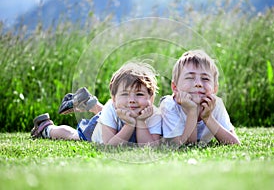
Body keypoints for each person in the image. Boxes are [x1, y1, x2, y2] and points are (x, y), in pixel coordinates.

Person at [31, 61, 162, 146]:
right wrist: (130, 124)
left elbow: (150, 147)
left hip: (109, 118)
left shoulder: (153, 114)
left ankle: (94, 105)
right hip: (99, 129)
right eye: (125, 94)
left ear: (151, 98)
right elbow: (110, 146)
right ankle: (46, 128)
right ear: (114, 98)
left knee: (109, 114)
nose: (132, 99)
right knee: (74, 136)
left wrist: (141, 122)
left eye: (139, 94)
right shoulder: (111, 108)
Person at [160, 50, 240, 146]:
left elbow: (234, 143)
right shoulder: (169, 105)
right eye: (190, 78)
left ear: (215, 89)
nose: (198, 83)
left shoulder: (216, 104)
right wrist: (192, 111)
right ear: (175, 87)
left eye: (205, 78)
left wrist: (208, 117)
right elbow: (185, 145)